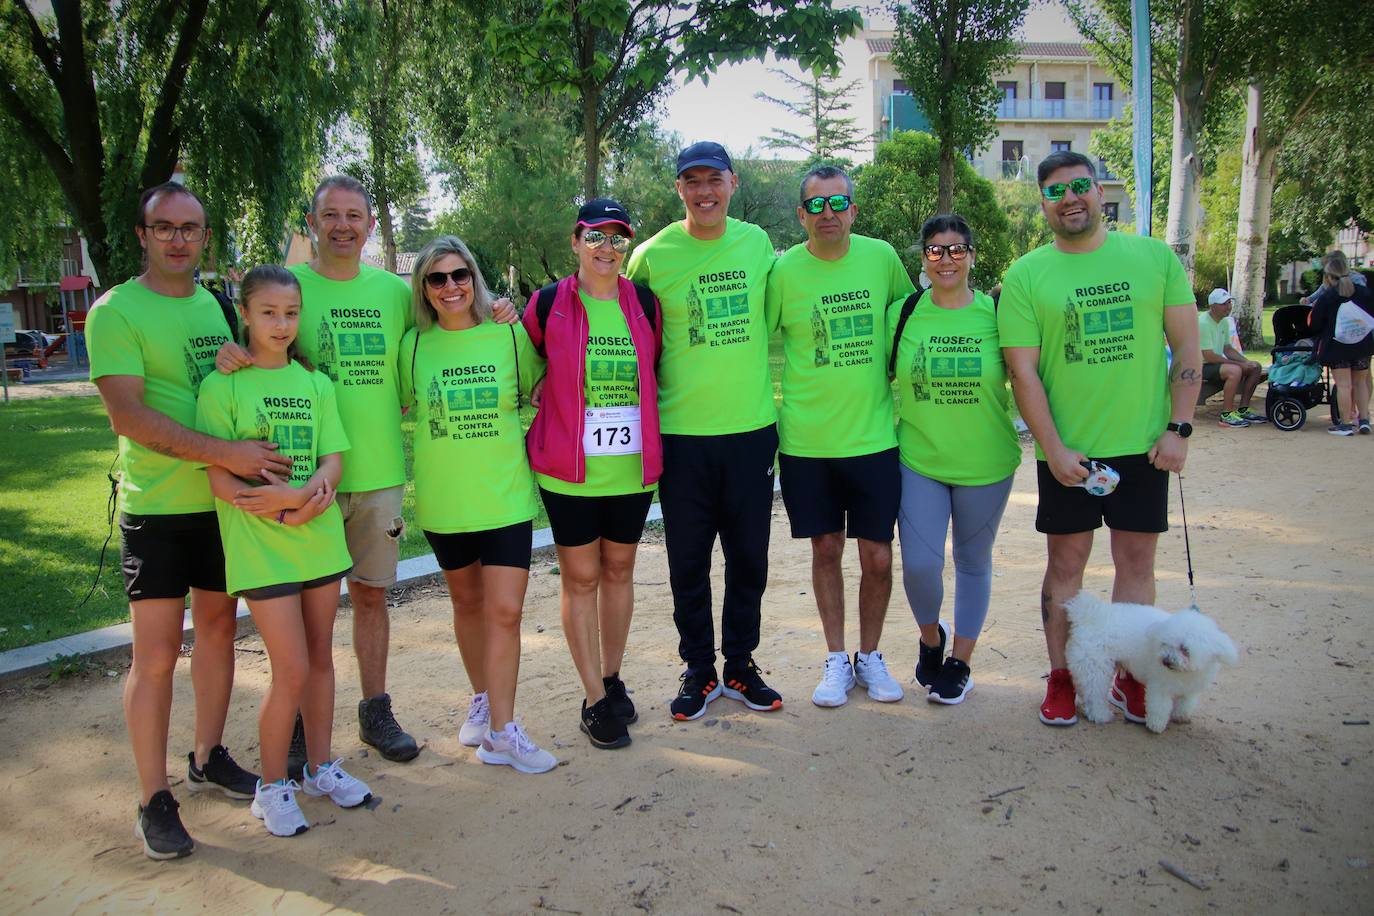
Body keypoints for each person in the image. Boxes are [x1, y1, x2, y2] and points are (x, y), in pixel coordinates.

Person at [87, 182, 268, 859]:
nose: (178, 239)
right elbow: (128, 416)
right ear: (142, 235)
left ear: (205, 235)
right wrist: (225, 451)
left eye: (190, 228)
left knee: (220, 629)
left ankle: (207, 755)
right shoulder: (115, 311)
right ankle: (152, 797)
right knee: (157, 656)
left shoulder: (218, 306)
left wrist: (239, 365)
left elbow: (231, 386)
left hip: (220, 505)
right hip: (158, 509)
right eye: (164, 228)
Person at [218, 175, 419, 765]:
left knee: (372, 598)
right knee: (313, 608)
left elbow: (448, 324)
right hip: (303, 480)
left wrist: (501, 306)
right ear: (312, 222)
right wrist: (229, 354)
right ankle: (306, 720)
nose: (342, 226)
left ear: (371, 226)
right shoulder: (289, 289)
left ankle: (375, 710)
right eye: (330, 214)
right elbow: (253, 352)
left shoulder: (394, 291)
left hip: (378, 471)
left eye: (354, 216)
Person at [997, 151, 1201, 727]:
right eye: (1057, 192)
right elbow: (1024, 372)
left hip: (1144, 448)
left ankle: (1131, 678)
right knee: (1066, 564)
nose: (1071, 198)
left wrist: (1179, 428)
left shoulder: (1153, 257)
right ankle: (1062, 677)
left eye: (1080, 186)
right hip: (1072, 453)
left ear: (1098, 190)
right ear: (1043, 203)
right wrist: (1053, 448)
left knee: (1136, 565)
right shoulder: (1027, 274)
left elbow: (1187, 349)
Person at [196, 265, 371, 836]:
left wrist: (306, 497)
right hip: (263, 549)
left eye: (290, 313)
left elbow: (333, 460)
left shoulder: (316, 384)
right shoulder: (221, 387)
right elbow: (220, 480)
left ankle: (321, 768)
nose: (281, 324)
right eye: (268, 312)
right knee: (290, 667)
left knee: (320, 660)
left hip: (318, 542)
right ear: (244, 314)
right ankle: (272, 787)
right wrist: (278, 508)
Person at [624, 141, 783, 720]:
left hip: (750, 433)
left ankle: (740, 665)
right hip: (682, 437)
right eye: (691, 181)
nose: (704, 191)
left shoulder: (757, 244)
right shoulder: (652, 255)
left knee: (749, 559)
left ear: (732, 184)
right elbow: (618, 320)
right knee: (687, 561)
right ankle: (698, 668)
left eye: (713, 179)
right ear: (679, 190)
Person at [398, 236, 557, 774]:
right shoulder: (412, 347)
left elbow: (544, 384)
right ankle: (483, 699)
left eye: (459, 274)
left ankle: (503, 734)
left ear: (474, 277)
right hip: (445, 501)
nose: (451, 287)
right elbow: (398, 402)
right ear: (424, 287)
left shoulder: (509, 334)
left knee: (506, 611)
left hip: (505, 497)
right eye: (438, 278)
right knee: (466, 606)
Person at [764, 165, 913, 708]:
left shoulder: (883, 259)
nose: (828, 213)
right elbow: (753, 340)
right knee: (825, 550)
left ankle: (869, 657)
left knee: (877, 558)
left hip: (874, 439)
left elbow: (911, 321)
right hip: (807, 443)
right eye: (816, 205)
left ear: (854, 208)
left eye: (838, 202)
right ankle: (835, 659)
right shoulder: (783, 271)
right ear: (802, 215)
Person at [524, 199, 663, 749]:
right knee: (581, 577)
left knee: (620, 570)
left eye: (618, 239)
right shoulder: (549, 303)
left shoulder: (646, 304)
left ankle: (611, 674)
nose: (607, 249)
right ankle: (592, 698)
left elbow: (657, 370)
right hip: (569, 470)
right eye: (596, 237)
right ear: (575, 241)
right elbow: (526, 360)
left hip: (630, 468)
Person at [889, 215, 1020, 705]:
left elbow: (1031, 377)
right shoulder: (902, 314)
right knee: (920, 565)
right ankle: (930, 640)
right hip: (920, 458)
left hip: (986, 463)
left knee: (971, 561)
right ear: (922, 258)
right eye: (935, 250)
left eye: (956, 249)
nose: (946, 259)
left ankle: (960, 662)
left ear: (971, 255)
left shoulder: (999, 313)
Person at [1310, 250, 1374, 435]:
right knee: (1360, 383)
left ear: (1329, 277)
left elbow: (1315, 322)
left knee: (1343, 385)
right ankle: (1364, 420)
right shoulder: (1363, 292)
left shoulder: (1329, 296)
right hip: (1362, 344)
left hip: (1338, 345)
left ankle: (1345, 424)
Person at [1200, 289, 1265, 427]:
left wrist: (1246, 362)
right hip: (1200, 366)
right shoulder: (1203, 323)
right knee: (1234, 370)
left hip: (1214, 364)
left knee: (1255, 367)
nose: (1228, 307)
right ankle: (1226, 415)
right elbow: (1209, 356)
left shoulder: (1223, 322)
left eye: (1229, 302)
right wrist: (1239, 365)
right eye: (1224, 304)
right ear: (1213, 306)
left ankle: (1243, 410)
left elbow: (1227, 348)